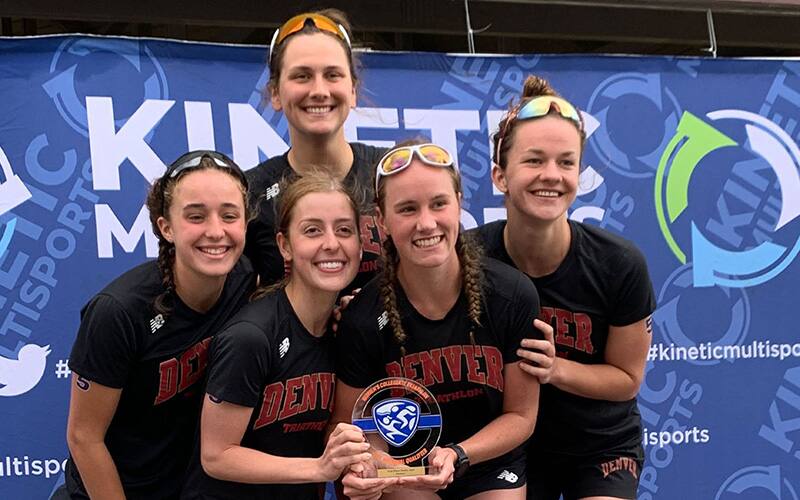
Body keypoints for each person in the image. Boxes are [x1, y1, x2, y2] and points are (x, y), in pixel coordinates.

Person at [475, 76, 656, 500]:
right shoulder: (467, 258)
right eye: (534, 161)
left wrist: (556, 370)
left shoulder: (619, 264)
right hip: (508, 445)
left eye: (566, 162)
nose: (551, 176)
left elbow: (627, 379)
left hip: (599, 446)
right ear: (500, 175)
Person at [333, 141, 543, 499]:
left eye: (439, 203)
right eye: (407, 209)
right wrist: (375, 466)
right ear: (382, 220)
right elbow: (348, 427)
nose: (426, 223)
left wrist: (458, 454)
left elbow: (521, 416)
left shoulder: (512, 295)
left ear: (459, 202)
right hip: (402, 469)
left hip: (485, 462)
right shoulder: (363, 318)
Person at [62, 151, 256, 499]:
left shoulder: (247, 278)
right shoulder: (118, 312)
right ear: (165, 227)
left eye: (229, 215)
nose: (216, 231)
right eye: (196, 216)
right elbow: (84, 438)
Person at [180, 171, 372, 499]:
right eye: (312, 230)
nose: (331, 243)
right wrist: (319, 468)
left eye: (344, 230)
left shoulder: (346, 329)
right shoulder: (251, 337)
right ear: (284, 245)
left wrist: (357, 464)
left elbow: (330, 429)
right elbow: (216, 456)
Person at [245, 9, 386, 291]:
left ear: (353, 90)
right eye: (302, 76)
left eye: (332, 75)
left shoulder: (392, 174)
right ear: (275, 93)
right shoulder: (250, 194)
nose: (319, 90)